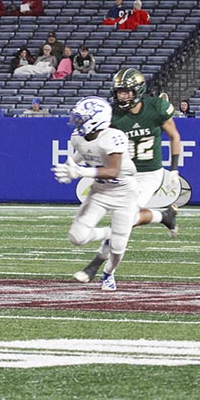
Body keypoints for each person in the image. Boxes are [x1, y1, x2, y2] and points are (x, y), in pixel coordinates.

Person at [76, 68, 182, 285]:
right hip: (123, 173)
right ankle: (164, 216)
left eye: (126, 92)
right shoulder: (112, 115)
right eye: (119, 92)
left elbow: (174, 135)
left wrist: (174, 169)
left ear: (138, 90)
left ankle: (99, 265)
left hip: (148, 174)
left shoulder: (156, 108)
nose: (122, 96)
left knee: (125, 218)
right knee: (124, 218)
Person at [52, 97, 140, 291]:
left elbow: (113, 170)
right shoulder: (78, 137)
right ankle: (109, 233)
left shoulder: (113, 137)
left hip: (124, 194)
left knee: (117, 249)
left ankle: (108, 273)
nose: (78, 122)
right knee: (77, 237)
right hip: (100, 192)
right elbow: (83, 153)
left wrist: (82, 172)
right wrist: (69, 169)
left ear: (96, 120)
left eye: (82, 119)